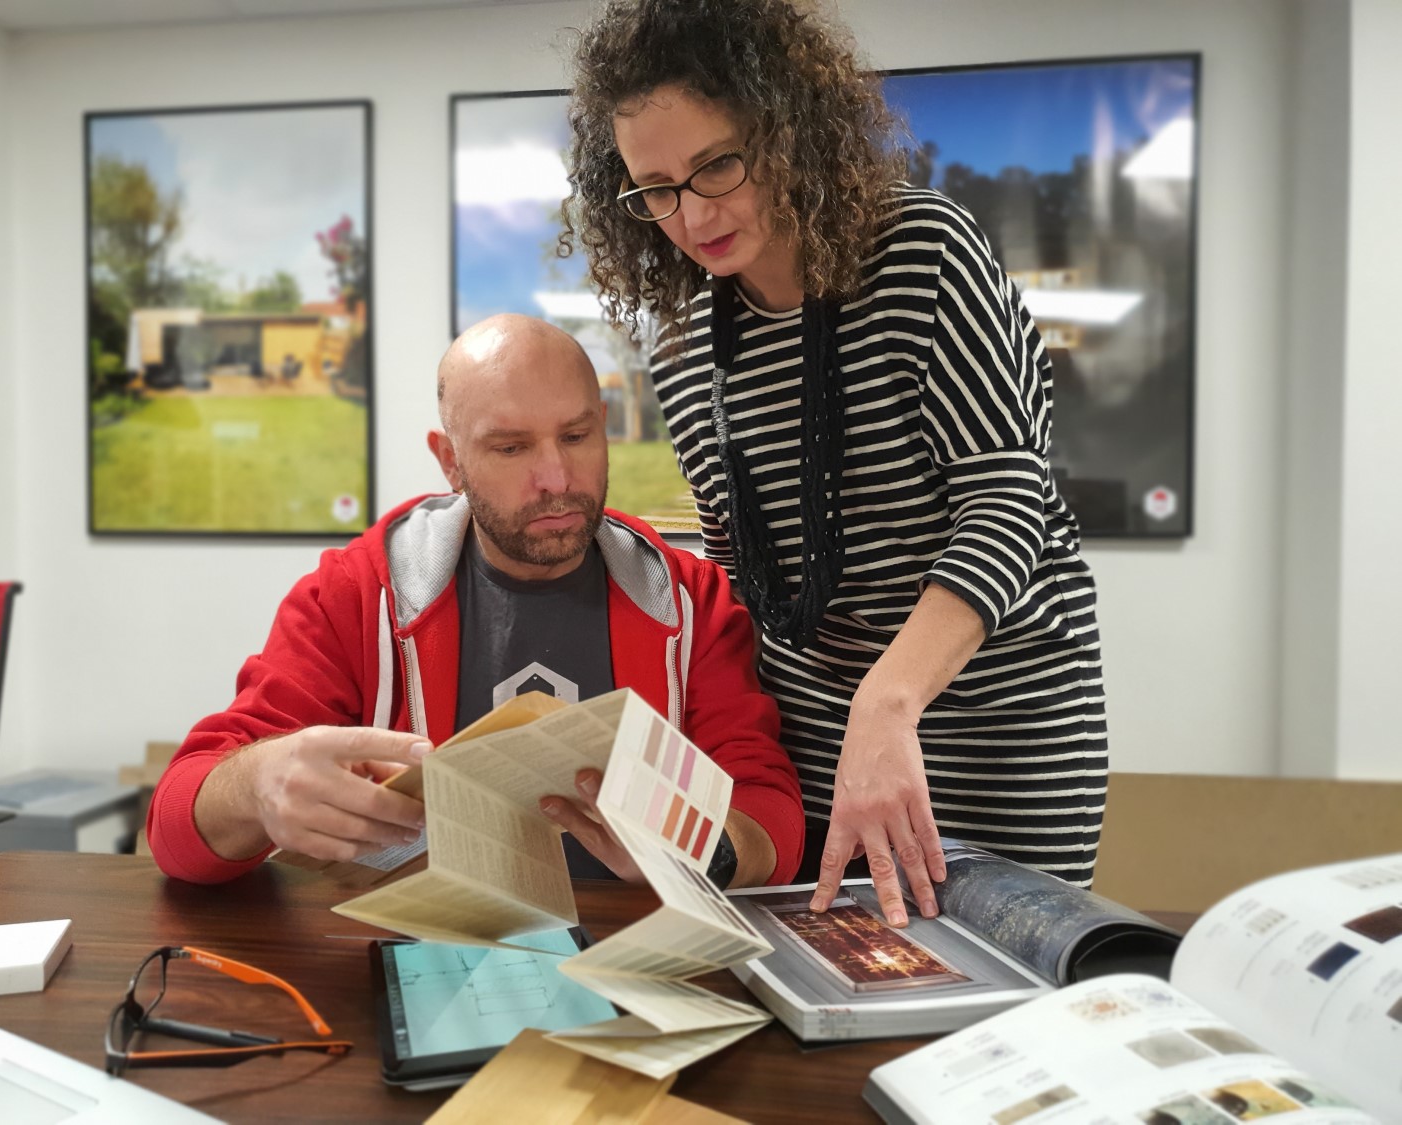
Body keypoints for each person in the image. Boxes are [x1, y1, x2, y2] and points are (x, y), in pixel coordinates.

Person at [561, 0, 1108, 925]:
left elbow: (1008, 499)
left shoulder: (925, 253)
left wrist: (886, 707)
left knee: (1005, 995)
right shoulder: (688, 346)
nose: (692, 215)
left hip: (993, 725)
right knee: (841, 988)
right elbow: (743, 569)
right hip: (817, 739)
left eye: (717, 165)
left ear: (788, 131)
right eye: (654, 188)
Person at [148, 314, 803, 889]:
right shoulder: (355, 594)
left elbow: (766, 801)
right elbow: (176, 828)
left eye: (576, 436)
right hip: (408, 963)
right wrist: (258, 784)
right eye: (510, 447)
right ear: (450, 461)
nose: (556, 478)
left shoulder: (690, 602)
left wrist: (703, 853)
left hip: (631, 960)